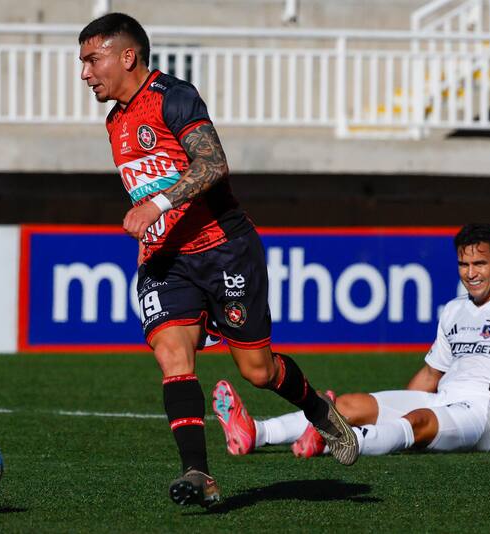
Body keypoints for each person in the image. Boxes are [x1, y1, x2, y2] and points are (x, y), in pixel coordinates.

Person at [77, 13, 357, 508]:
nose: (85, 73)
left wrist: (158, 204)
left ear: (127, 55)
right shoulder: (115, 120)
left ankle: (319, 410)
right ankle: (198, 473)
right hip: (166, 261)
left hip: (225, 248)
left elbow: (213, 164)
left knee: (258, 371)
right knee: (173, 357)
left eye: (92, 59)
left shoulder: (174, 97)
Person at [214, 224, 490, 463]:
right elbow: (430, 373)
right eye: (463, 264)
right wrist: (393, 407)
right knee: (346, 404)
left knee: (418, 422)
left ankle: (330, 441)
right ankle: (255, 433)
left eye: (480, 264)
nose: (471, 273)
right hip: (444, 399)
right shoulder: (455, 310)